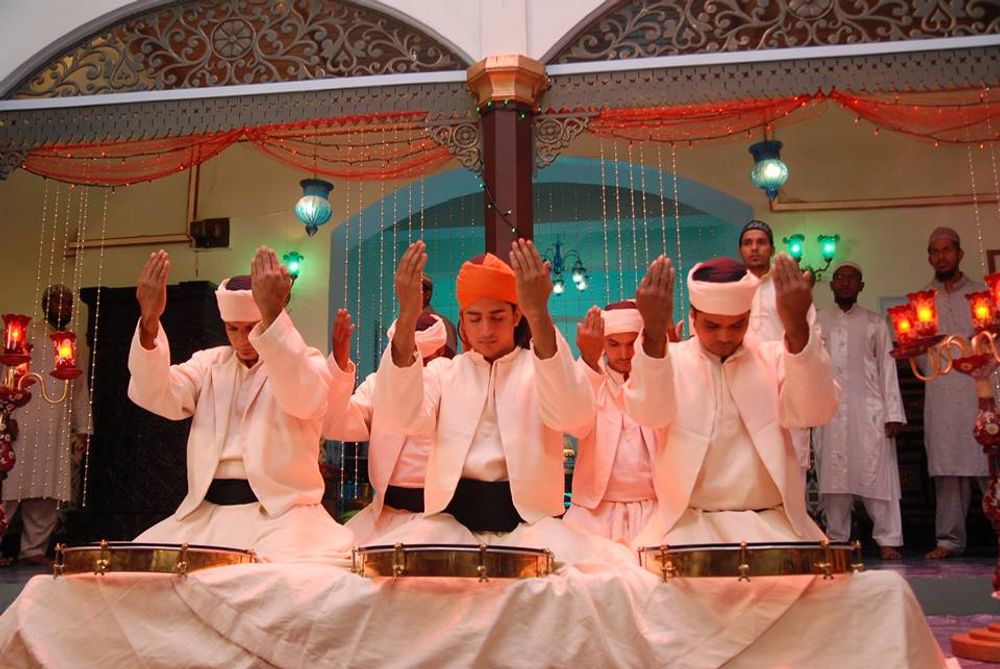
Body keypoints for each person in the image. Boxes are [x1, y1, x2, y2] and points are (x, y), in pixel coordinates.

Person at [371, 239, 629, 567]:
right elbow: (401, 417)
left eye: (497, 317)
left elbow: (575, 419)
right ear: (462, 320)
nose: (486, 330)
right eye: (475, 318)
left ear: (516, 315)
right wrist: (408, 317)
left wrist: (540, 314)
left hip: (533, 527)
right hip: (449, 526)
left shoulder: (540, 367)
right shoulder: (443, 373)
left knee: (587, 581)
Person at [127, 247, 353, 563]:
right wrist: (150, 321)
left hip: (281, 516)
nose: (241, 340)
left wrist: (273, 317)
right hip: (206, 516)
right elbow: (155, 393)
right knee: (137, 569)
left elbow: (306, 400)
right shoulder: (209, 364)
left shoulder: (304, 362)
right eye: (232, 329)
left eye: (252, 328)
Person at [624, 254, 835, 546]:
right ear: (693, 316)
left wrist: (798, 328)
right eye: (712, 326)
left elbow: (814, 411)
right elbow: (647, 414)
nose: (724, 337)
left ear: (748, 317)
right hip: (686, 525)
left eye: (737, 325)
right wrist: (653, 332)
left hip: (772, 524)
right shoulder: (670, 360)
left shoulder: (773, 358)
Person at [323, 309, 450, 544]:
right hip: (383, 516)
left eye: (417, 361)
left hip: (439, 518)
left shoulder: (452, 382)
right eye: (402, 360)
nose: (409, 371)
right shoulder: (378, 386)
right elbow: (334, 424)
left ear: (440, 353)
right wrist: (339, 365)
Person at [813, 262, 906, 560]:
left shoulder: (875, 323)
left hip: (870, 412)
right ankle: (837, 539)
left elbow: (887, 369)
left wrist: (893, 413)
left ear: (861, 286)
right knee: (834, 479)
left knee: (877, 475)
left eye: (852, 279)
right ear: (831, 284)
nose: (845, 283)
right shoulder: (817, 321)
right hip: (829, 410)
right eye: (839, 278)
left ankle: (888, 540)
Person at [1, 285, 91, 566]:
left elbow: (79, 389)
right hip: (21, 423)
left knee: (47, 488)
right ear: (45, 304)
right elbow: (6, 375)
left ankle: (33, 549)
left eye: (68, 303)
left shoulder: (73, 344)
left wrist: (84, 428)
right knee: (9, 487)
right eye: (57, 301)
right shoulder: (24, 335)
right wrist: (5, 417)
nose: (63, 307)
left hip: (56, 427)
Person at [564, 300, 658, 544]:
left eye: (631, 344)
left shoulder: (656, 381)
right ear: (603, 344)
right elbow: (574, 425)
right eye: (614, 344)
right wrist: (588, 362)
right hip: (594, 513)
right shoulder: (589, 378)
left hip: (655, 509)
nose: (624, 354)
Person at [922, 226, 989, 559]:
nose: (941, 256)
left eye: (947, 250)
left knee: (990, 462)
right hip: (942, 393)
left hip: (981, 390)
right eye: (935, 251)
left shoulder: (982, 294)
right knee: (947, 467)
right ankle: (948, 540)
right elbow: (919, 353)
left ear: (960, 254)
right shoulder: (922, 300)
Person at [739, 219, 817, 487]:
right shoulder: (733, 289)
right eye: (748, 243)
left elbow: (811, 337)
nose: (754, 248)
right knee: (745, 471)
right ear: (740, 250)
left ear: (772, 249)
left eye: (761, 242)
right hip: (742, 389)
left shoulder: (789, 288)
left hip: (786, 388)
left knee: (790, 470)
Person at [421, 274, 458, 357]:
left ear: (427, 295)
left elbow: (448, 360)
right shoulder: (404, 324)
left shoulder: (441, 324)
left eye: (414, 291)